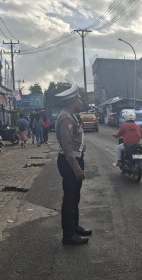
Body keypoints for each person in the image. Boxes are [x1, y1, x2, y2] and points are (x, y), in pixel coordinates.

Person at [55, 85, 91, 245]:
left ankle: (74, 227)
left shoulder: (71, 115)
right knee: (70, 198)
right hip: (70, 162)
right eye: (79, 99)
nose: (81, 101)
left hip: (74, 160)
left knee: (75, 196)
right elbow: (67, 147)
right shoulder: (66, 119)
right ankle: (68, 236)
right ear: (73, 101)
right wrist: (76, 169)